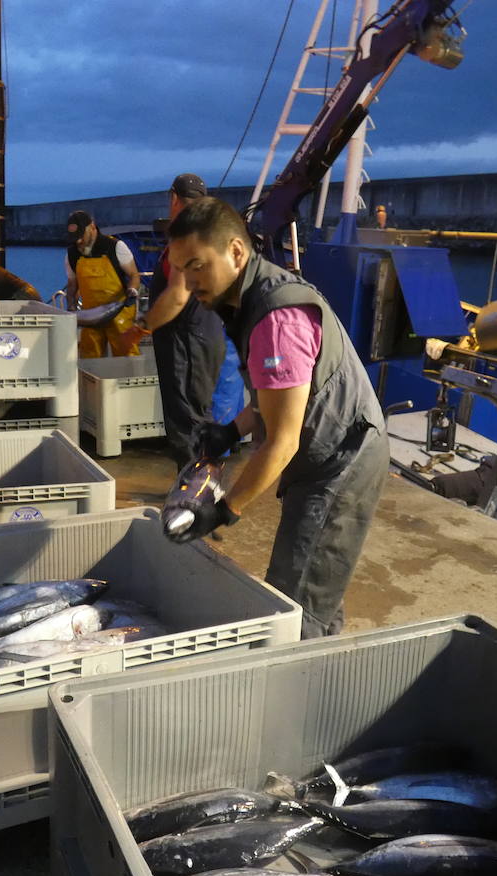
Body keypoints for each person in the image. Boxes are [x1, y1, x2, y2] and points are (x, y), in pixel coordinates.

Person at [164, 196, 389, 639]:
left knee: (296, 599)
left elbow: (283, 441)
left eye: (197, 265)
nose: (188, 283)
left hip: (342, 461)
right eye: (180, 270)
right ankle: (325, 660)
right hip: (327, 450)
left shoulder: (276, 320)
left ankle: (304, 688)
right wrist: (232, 429)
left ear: (235, 252)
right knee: (317, 584)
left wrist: (225, 510)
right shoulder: (250, 299)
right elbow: (280, 396)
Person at [127, 173, 228, 466]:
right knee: (197, 414)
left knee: (188, 422)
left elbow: (178, 296)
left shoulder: (187, 239)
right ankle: (201, 486)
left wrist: (140, 328)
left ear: (173, 198)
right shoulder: (210, 236)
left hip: (186, 342)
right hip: (205, 336)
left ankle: (196, 495)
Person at [64, 210, 142, 358]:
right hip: (90, 316)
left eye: (81, 236)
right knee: (89, 358)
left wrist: (132, 290)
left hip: (119, 313)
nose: (78, 241)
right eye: (75, 237)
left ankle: (125, 380)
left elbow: (134, 275)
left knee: (127, 354)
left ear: (92, 227)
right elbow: (72, 284)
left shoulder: (115, 246)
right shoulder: (71, 254)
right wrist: (71, 306)